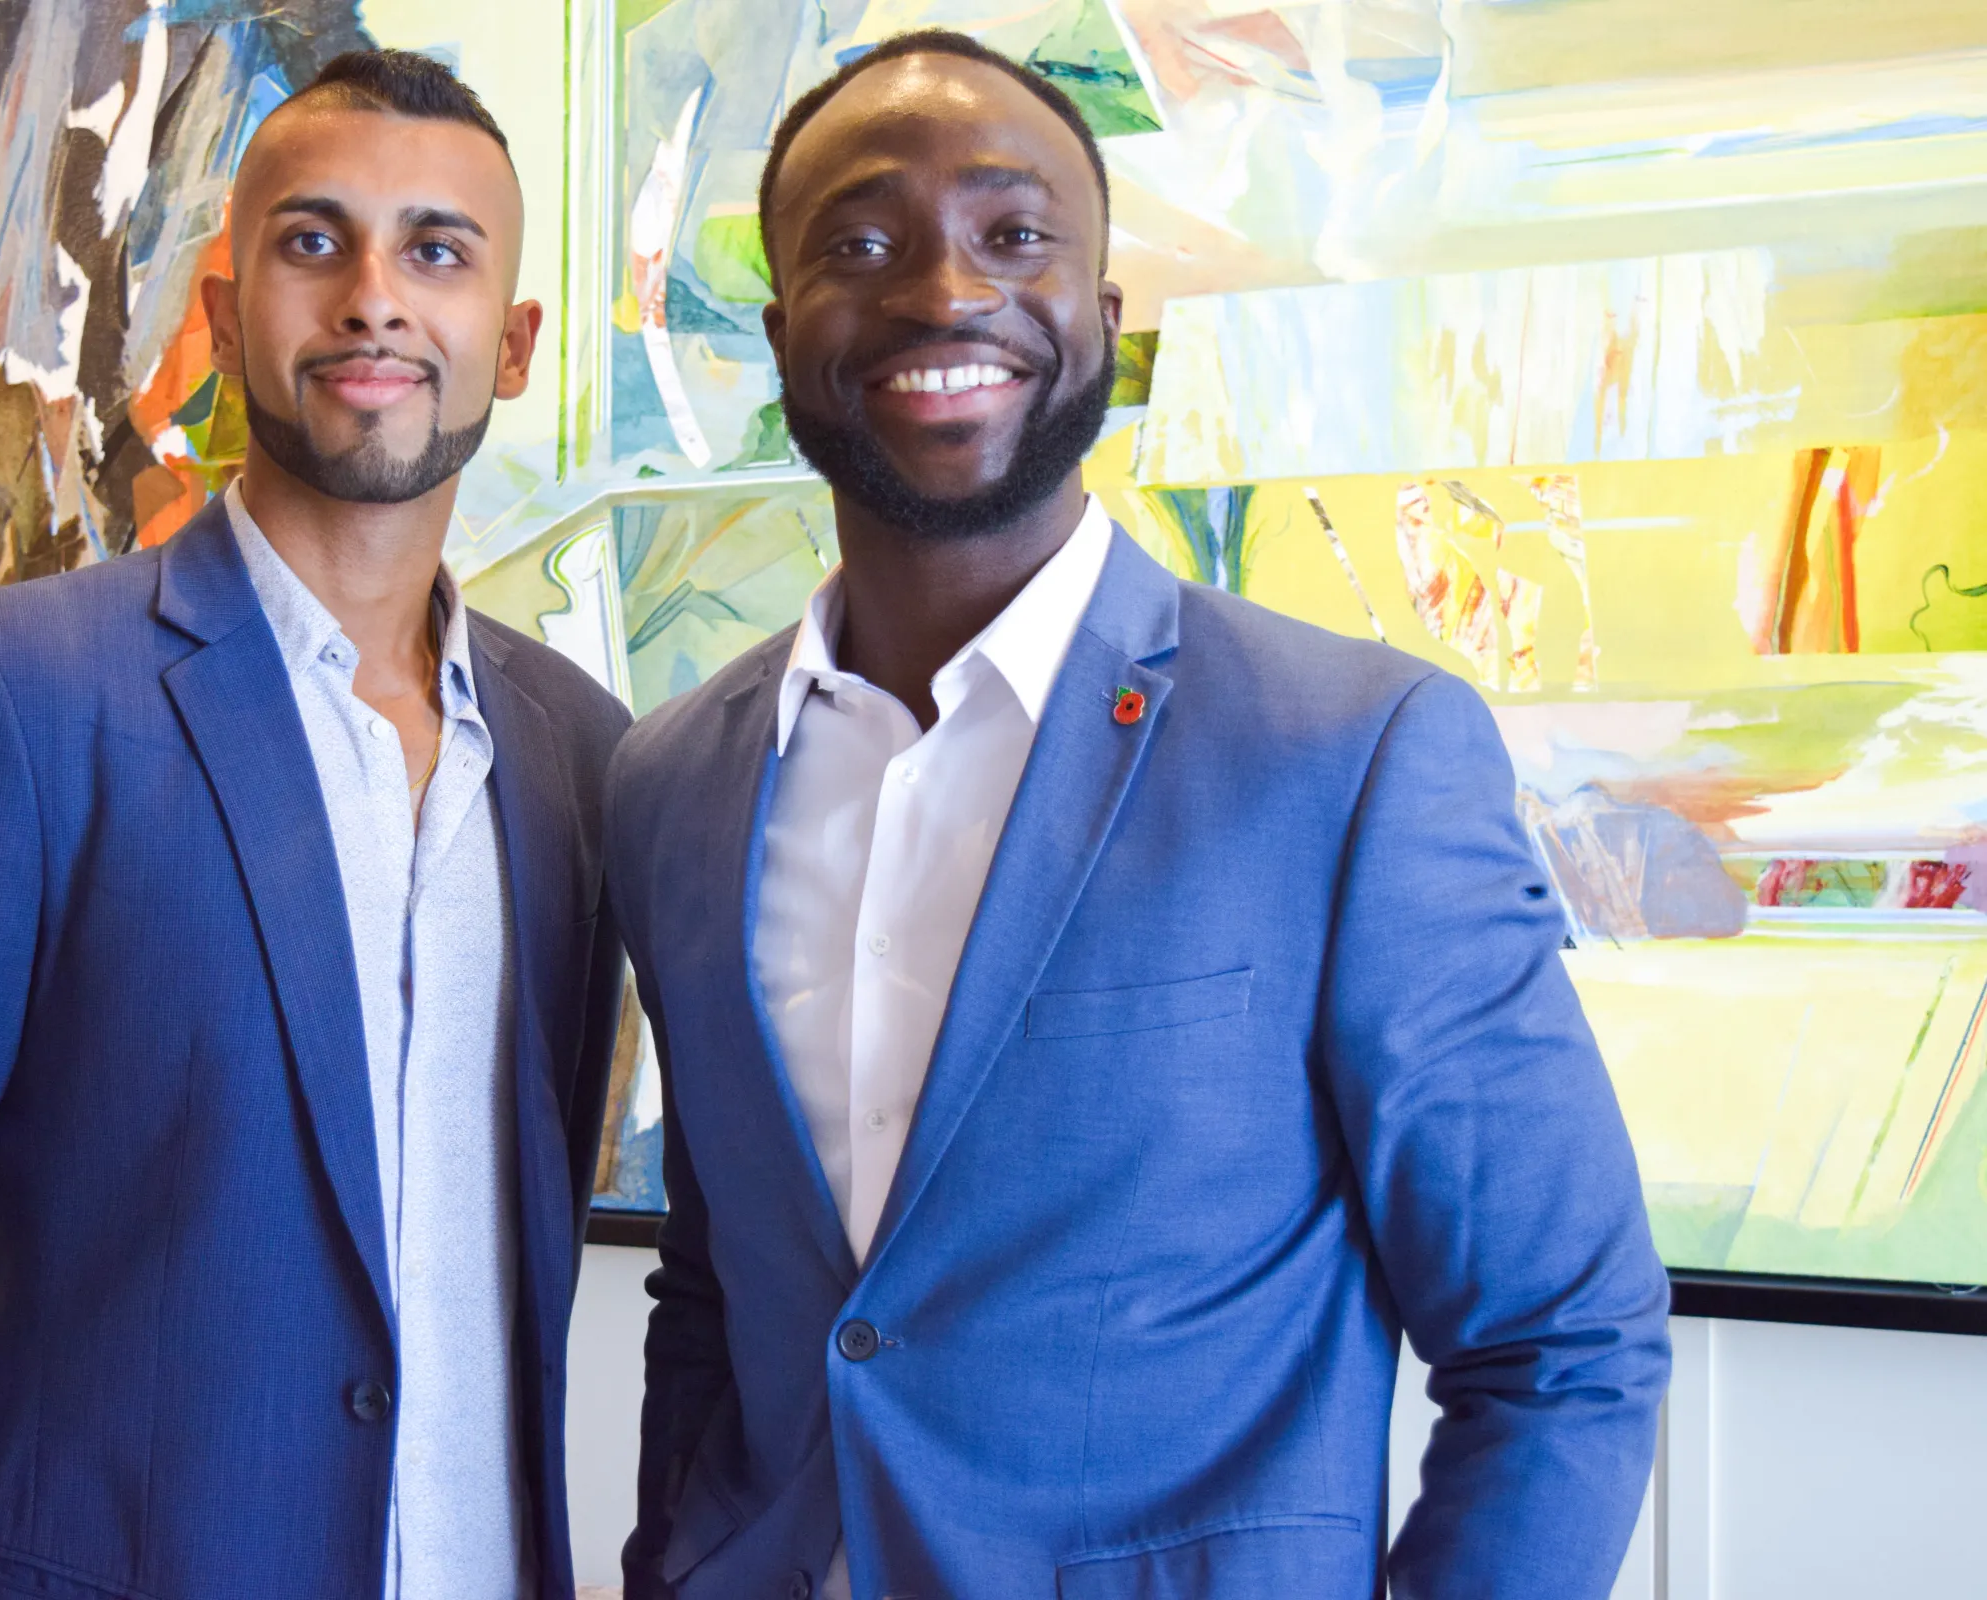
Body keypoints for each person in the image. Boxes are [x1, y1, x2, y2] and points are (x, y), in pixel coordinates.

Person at [608, 29, 1671, 1600]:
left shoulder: (1353, 753)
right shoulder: (671, 779)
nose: (945, 290)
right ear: (782, 332)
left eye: (1014, 233)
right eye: (863, 242)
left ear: (1103, 317)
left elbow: (1561, 1348)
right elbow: (719, 1287)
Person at [0, 49, 629, 1600]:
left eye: (438, 251)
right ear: (222, 319)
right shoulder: (6, 700)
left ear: (516, 341)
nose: (373, 298)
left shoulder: (580, 754)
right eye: (311, 239)